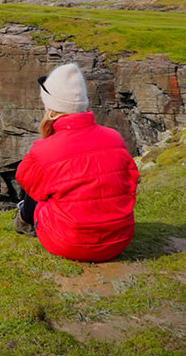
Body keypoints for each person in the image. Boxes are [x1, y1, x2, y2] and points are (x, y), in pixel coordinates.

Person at [13, 63, 139, 262]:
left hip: (71, 243)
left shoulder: (44, 149)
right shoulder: (114, 137)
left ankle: (23, 221)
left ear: (50, 107)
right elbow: (130, 182)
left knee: (39, 182)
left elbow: (26, 181)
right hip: (119, 240)